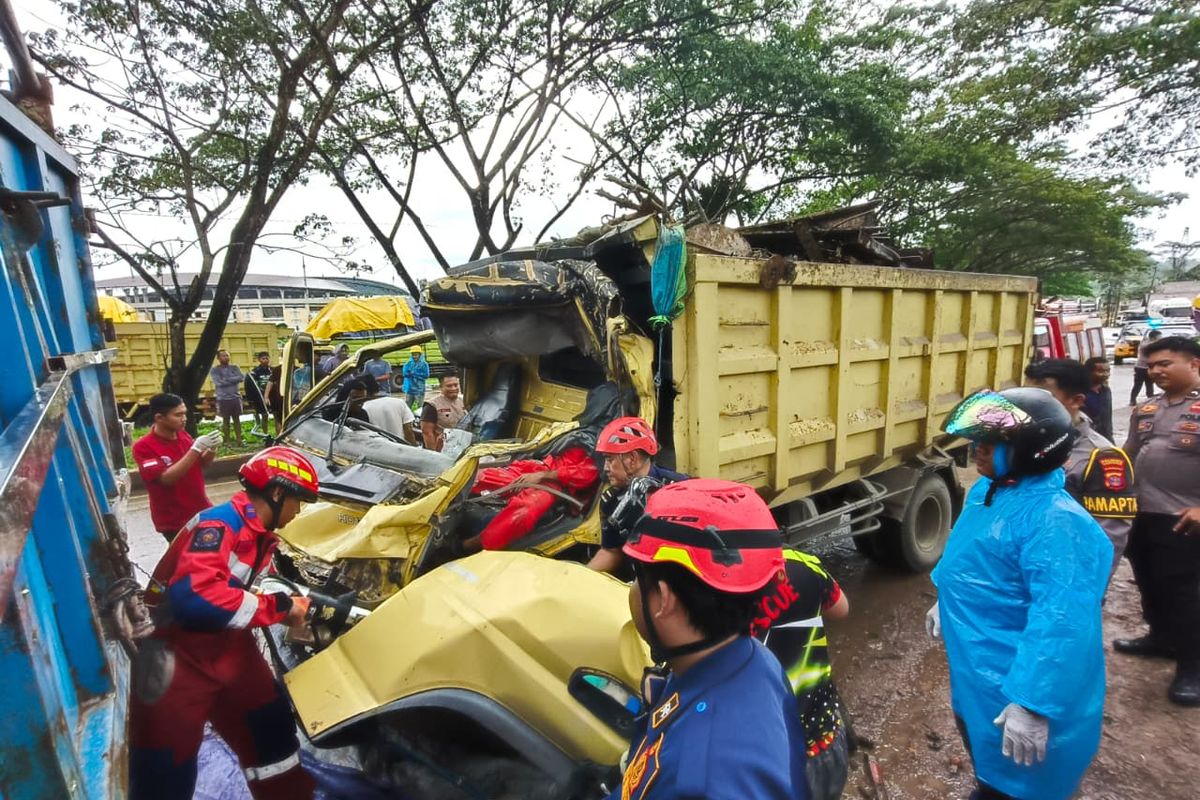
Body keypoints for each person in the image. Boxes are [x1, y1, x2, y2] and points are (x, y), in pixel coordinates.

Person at [926, 387, 1111, 800]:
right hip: (980, 665)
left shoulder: (1056, 523)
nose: (976, 449)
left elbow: (1063, 623)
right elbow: (965, 551)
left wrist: (1033, 701)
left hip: (1016, 676)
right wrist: (945, 594)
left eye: (990, 443)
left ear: (1033, 450)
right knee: (985, 750)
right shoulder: (989, 492)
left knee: (1025, 775)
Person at [129, 446, 319, 800]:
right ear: (277, 493)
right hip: (175, 657)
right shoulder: (220, 526)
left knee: (271, 731)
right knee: (164, 769)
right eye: (298, 502)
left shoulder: (256, 533)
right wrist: (281, 606)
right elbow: (196, 601)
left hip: (230, 647)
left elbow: (232, 589)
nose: (298, 511)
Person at [611, 478, 811, 800]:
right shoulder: (754, 659)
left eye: (637, 577)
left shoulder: (707, 779)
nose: (632, 589)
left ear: (664, 599)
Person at [1114, 335, 1200, 706]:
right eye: (1151, 366)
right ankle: (1160, 638)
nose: (1156, 371)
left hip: (1185, 517)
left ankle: (1193, 668)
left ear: (1194, 364)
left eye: (1165, 363)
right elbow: (1128, 454)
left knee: (1186, 594)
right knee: (1149, 581)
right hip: (1142, 513)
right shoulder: (1147, 408)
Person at [752, 549, 851, 800]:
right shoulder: (801, 563)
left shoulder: (717, 598)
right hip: (825, 741)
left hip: (773, 760)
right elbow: (841, 610)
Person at [1025, 358, 1135, 578]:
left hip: (1060, 580)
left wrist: (1079, 594)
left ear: (1076, 400)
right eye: (1027, 396)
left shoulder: (1101, 457)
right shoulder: (1021, 442)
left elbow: (1106, 539)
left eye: (1043, 398)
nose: (1028, 405)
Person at [585, 416, 686, 575]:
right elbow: (612, 551)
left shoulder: (680, 488)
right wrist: (580, 577)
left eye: (610, 459)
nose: (605, 467)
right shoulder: (610, 502)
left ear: (632, 459)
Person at [461, 444, 600, 552]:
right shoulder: (580, 427)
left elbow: (588, 473)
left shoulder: (604, 438)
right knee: (474, 476)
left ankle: (473, 544)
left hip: (558, 483)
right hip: (540, 467)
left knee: (523, 513)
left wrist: (543, 476)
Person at [132, 393, 221, 541]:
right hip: (174, 520)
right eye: (178, 415)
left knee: (210, 556)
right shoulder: (143, 447)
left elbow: (203, 464)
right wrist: (196, 449)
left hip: (201, 510)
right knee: (186, 560)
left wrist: (212, 449)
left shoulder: (183, 435)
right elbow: (166, 479)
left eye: (184, 414)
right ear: (159, 418)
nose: (184, 418)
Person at [420, 370, 466, 451]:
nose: (453, 388)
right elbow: (427, 432)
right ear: (440, 387)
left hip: (462, 447)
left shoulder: (464, 401)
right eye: (449, 386)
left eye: (456, 385)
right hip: (443, 450)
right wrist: (434, 455)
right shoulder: (432, 405)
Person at [362, 377, 416, 444]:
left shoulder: (363, 408)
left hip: (378, 450)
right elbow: (408, 431)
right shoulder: (399, 402)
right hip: (401, 449)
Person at [210, 349, 245, 448]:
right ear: (218, 358)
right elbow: (218, 383)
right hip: (223, 398)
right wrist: (233, 379)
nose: (226, 357)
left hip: (235, 397)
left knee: (237, 420)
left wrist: (226, 379)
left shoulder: (234, 367)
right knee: (226, 421)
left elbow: (241, 377)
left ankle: (239, 440)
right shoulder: (215, 370)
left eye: (227, 355)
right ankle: (227, 441)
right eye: (223, 356)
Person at [1081, 356, 1113, 441]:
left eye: (1108, 371)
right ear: (1089, 372)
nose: (1106, 374)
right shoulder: (1080, 393)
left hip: (1106, 438)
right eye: (1100, 371)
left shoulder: (1106, 390)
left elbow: (1107, 418)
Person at [1130, 329, 1162, 405]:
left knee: (1149, 384)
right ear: (1154, 337)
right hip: (1141, 367)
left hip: (1149, 367)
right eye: (1159, 337)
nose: (1160, 339)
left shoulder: (1150, 343)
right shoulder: (1146, 344)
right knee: (1138, 385)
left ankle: (1150, 399)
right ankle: (1132, 400)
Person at [246, 351, 273, 434]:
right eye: (263, 358)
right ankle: (265, 434)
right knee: (264, 415)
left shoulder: (272, 370)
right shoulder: (255, 372)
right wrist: (251, 399)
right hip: (260, 397)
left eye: (267, 358)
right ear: (259, 360)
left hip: (272, 396)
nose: (265, 360)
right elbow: (250, 386)